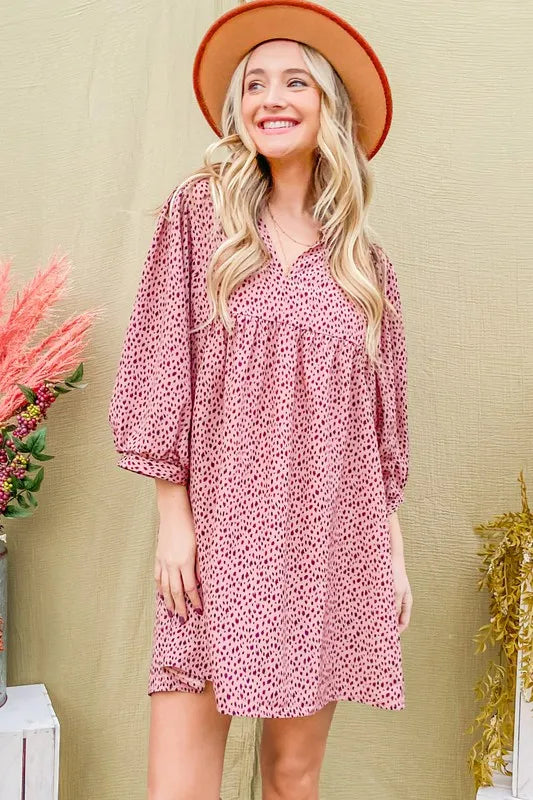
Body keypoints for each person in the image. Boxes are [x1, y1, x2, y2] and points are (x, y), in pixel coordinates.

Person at [108, 1, 413, 798]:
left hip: (328, 545)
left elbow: (376, 433)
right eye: (254, 84)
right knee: (179, 786)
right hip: (215, 536)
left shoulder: (367, 270)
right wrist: (173, 518)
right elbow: (159, 365)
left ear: (328, 106)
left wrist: (390, 552)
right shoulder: (197, 216)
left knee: (291, 777)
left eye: (294, 82)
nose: (270, 98)